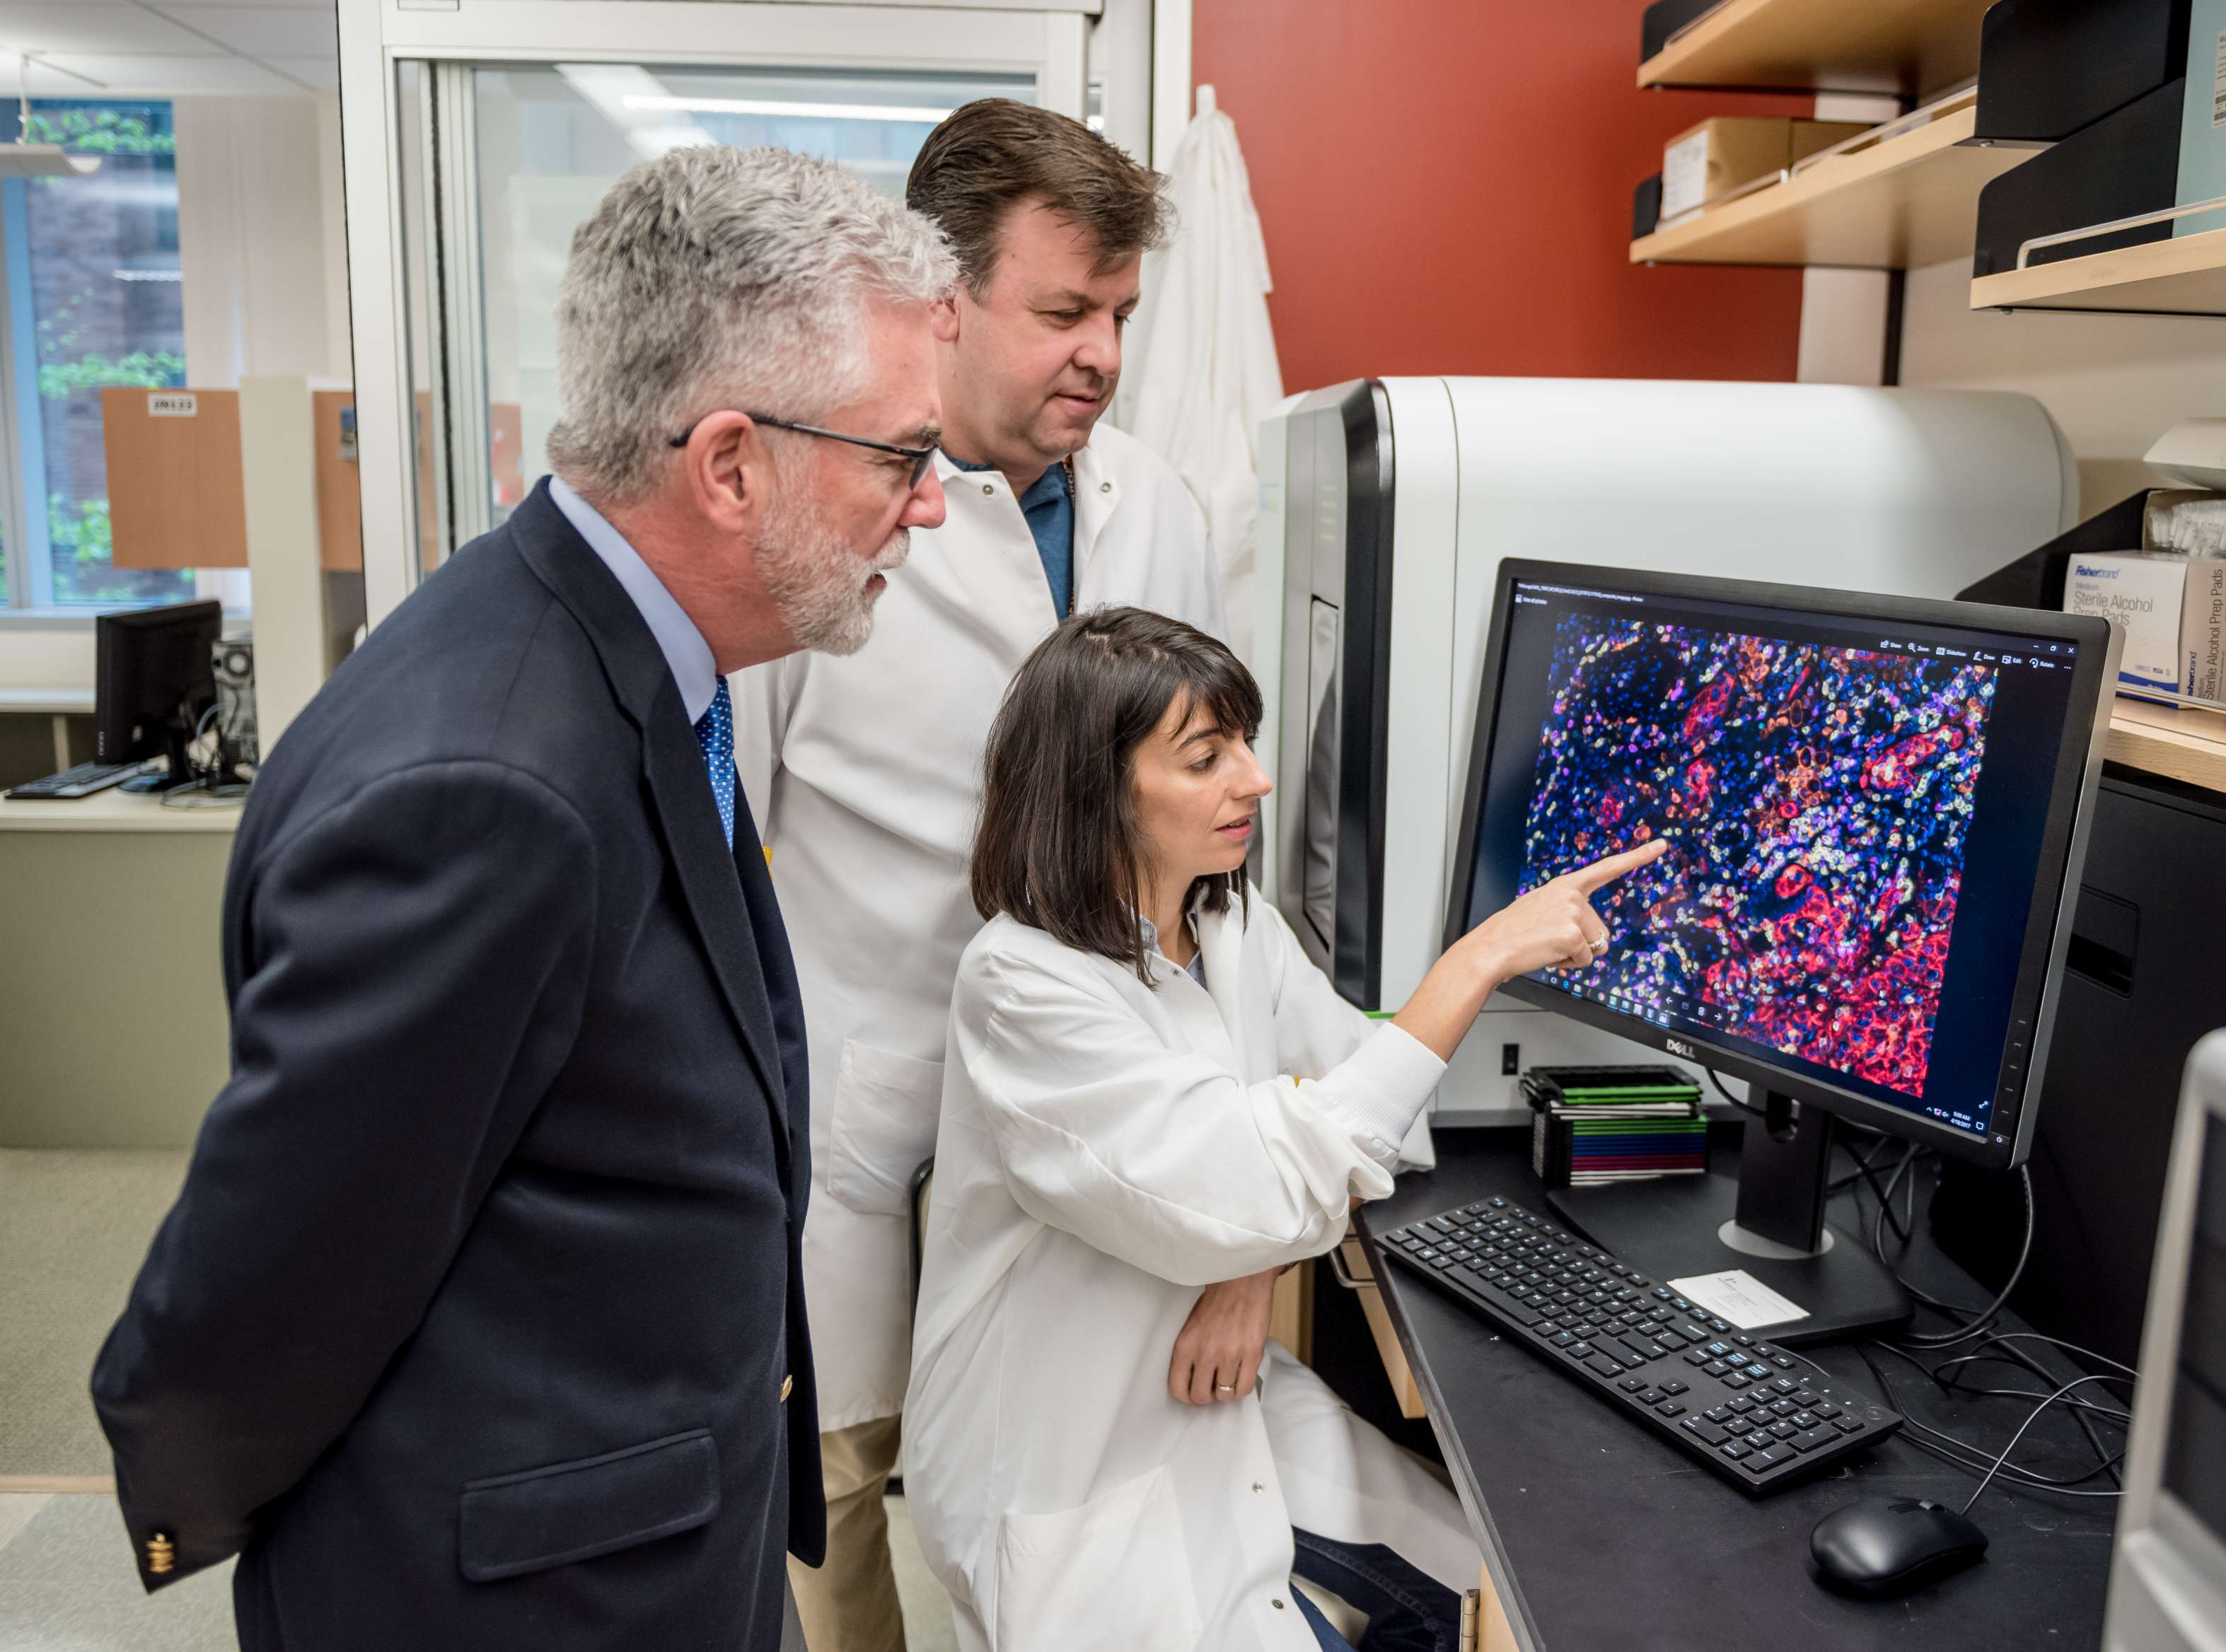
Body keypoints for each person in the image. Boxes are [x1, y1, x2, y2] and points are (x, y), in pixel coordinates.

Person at [86, 147, 953, 1650]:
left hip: (648, 1535)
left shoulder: (620, 657)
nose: (930, 509)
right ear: (731, 462)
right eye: (900, 458)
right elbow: (268, 1280)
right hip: (528, 1596)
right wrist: (210, 1509)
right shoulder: (490, 785)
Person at [904, 607, 1666, 1651]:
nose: (1257, 780)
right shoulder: (1023, 984)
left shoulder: (1227, 921)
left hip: (1226, 1397)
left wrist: (1249, 1266)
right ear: (1099, 792)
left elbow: (1383, 1115)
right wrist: (1473, 964)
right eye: (1207, 756)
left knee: (1513, 1596)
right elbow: (1265, 1178)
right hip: (1071, 1458)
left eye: (1245, 745)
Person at [727, 98, 1222, 1649]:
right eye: (1064, 310)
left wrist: (1246, 1228)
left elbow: (1208, 845)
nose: (1101, 353)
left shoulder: (1162, 512)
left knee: (1060, 1516)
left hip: (1084, 1130)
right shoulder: (815, 519)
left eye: (1121, 315)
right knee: (835, 1524)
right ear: (943, 301)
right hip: (861, 1131)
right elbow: (719, 836)